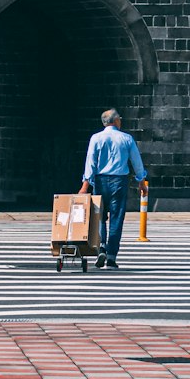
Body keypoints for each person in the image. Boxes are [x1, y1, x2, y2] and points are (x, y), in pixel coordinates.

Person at [80, 107, 148, 270]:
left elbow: (91, 162)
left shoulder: (96, 138)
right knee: (117, 217)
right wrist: (141, 180)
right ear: (115, 120)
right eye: (119, 118)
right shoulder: (126, 138)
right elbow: (136, 161)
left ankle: (102, 246)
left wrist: (85, 185)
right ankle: (111, 256)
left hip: (101, 180)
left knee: (100, 215)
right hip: (119, 180)